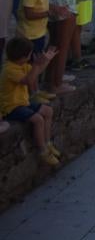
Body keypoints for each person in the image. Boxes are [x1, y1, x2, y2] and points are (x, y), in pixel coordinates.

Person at [1, 38, 61, 166]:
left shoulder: (21, 65)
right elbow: (28, 80)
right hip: (12, 107)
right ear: (23, 56)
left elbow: (36, 72)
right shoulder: (10, 69)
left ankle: (48, 142)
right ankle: (43, 151)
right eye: (30, 54)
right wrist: (36, 65)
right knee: (38, 119)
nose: (31, 57)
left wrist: (46, 60)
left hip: (23, 103)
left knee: (48, 111)